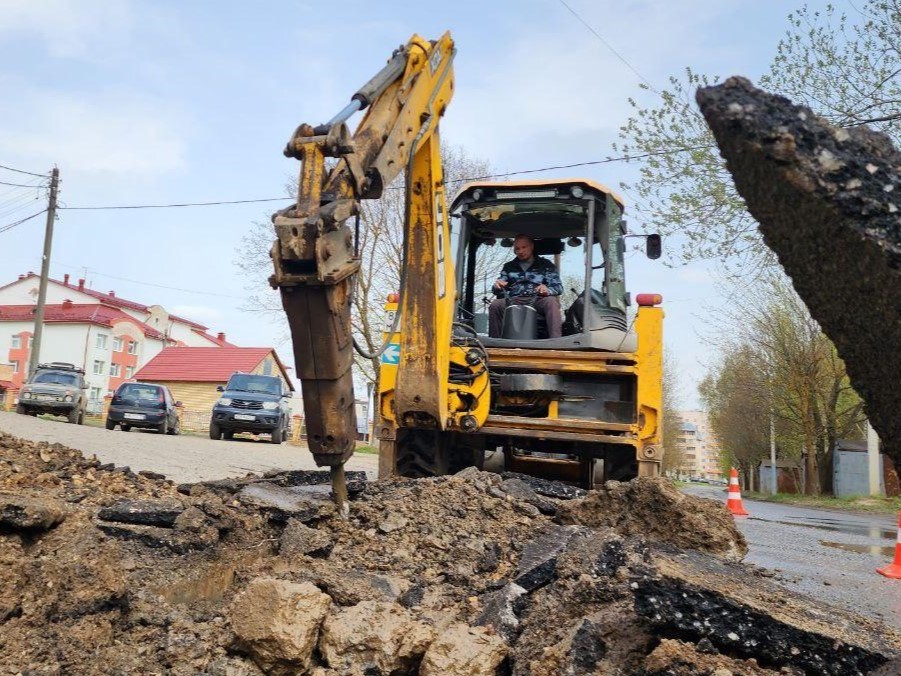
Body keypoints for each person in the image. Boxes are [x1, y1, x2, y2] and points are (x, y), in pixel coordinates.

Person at [489, 234, 563, 338]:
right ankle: (494, 342)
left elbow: (558, 288)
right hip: (514, 299)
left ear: (531, 246)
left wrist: (547, 290)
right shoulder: (509, 266)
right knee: (495, 305)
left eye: (524, 247)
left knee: (551, 302)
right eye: (517, 248)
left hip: (538, 299)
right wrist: (497, 286)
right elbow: (498, 288)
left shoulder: (545, 264)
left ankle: (556, 341)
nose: (520, 251)